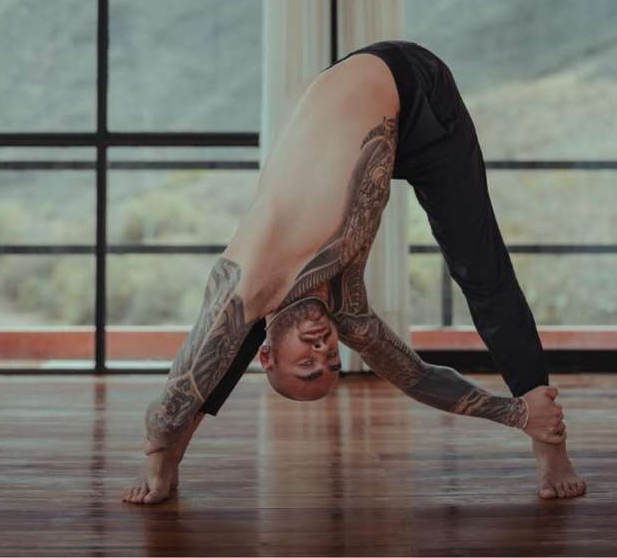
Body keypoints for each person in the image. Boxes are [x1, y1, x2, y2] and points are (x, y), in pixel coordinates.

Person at [121, 40, 586, 504]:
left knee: (234, 328)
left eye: (306, 363)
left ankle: (172, 461)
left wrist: (162, 447)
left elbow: (186, 380)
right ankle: (549, 439)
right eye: (330, 362)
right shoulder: (348, 310)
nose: (323, 349)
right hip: (434, 126)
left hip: (398, 76)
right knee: (483, 269)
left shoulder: (249, 275)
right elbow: (418, 377)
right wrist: (516, 412)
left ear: (268, 357)